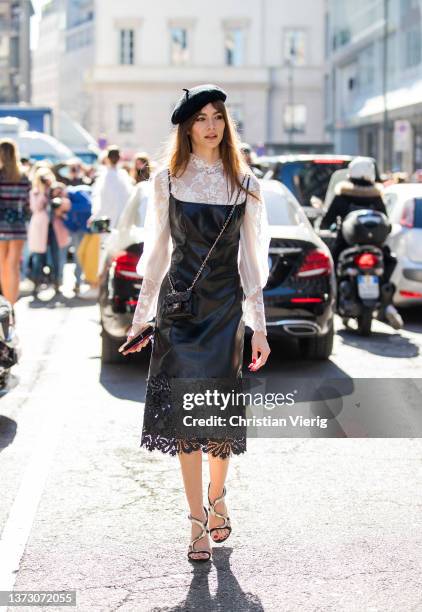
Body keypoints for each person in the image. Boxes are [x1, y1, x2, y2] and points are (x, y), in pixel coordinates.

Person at [122, 84, 271, 562]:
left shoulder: (247, 184)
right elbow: (157, 255)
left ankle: (219, 494)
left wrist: (259, 327)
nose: (211, 125)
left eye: (218, 117)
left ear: (226, 125)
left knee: (218, 418)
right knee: (189, 421)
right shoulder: (165, 180)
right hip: (180, 313)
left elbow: (250, 263)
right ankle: (195, 522)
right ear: (187, 128)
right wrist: (141, 317)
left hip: (225, 311)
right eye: (201, 118)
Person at [320, 157, 403, 329]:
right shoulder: (376, 195)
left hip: (346, 245)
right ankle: (388, 303)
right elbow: (385, 219)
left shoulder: (342, 194)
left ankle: (333, 300)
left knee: (331, 265)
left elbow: (327, 220)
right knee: (390, 260)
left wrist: (325, 228)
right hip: (375, 246)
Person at [27, 170, 71, 296]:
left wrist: (57, 196)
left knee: (56, 257)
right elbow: (35, 208)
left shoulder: (58, 189)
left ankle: (57, 282)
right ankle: (36, 283)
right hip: (40, 229)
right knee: (38, 257)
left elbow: (66, 205)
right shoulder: (35, 192)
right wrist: (43, 193)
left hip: (55, 228)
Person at [0, 139, 31, 313]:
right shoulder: (24, 176)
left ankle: (6, 307)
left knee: (3, 266)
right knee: (13, 266)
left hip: (1, 224)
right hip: (18, 224)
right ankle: (11, 307)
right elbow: (27, 205)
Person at [89, 145, 133, 229]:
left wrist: (95, 215)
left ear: (107, 158)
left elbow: (100, 198)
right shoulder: (123, 175)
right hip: (122, 218)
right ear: (119, 158)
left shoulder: (105, 175)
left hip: (108, 219)